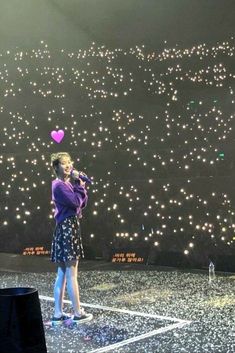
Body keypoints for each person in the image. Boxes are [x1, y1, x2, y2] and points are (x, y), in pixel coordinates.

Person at [50, 152, 93, 325]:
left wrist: (79, 185)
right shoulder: (59, 186)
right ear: (56, 167)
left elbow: (82, 202)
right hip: (67, 228)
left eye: (69, 162)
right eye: (63, 163)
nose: (68, 166)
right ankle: (77, 312)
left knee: (62, 273)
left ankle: (58, 314)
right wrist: (79, 186)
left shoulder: (66, 184)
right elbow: (76, 203)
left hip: (68, 227)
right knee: (71, 272)